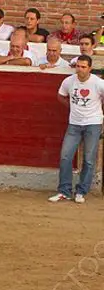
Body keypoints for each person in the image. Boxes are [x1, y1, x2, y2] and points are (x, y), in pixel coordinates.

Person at [48, 55, 103, 205]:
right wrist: (71, 107)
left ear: (90, 68)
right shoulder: (69, 81)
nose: (80, 69)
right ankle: (64, 191)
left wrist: (100, 115)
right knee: (65, 156)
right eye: (78, 66)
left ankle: (81, 191)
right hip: (74, 123)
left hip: (93, 123)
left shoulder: (98, 83)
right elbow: (60, 96)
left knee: (89, 159)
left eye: (83, 67)